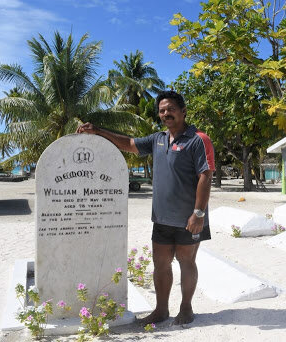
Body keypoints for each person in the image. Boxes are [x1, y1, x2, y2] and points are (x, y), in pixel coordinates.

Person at [77, 90, 215, 325]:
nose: (166, 114)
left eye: (171, 109)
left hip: (190, 218)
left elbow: (206, 175)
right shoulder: (158, 139)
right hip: (161, 218)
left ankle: (186, 308)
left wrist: (198, 214)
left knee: (187, 262)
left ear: (183, 112)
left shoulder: (198, 139)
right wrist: (98, 131)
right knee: (160, 264)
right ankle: (161, 310)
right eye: (162, 110)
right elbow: (129, 144)